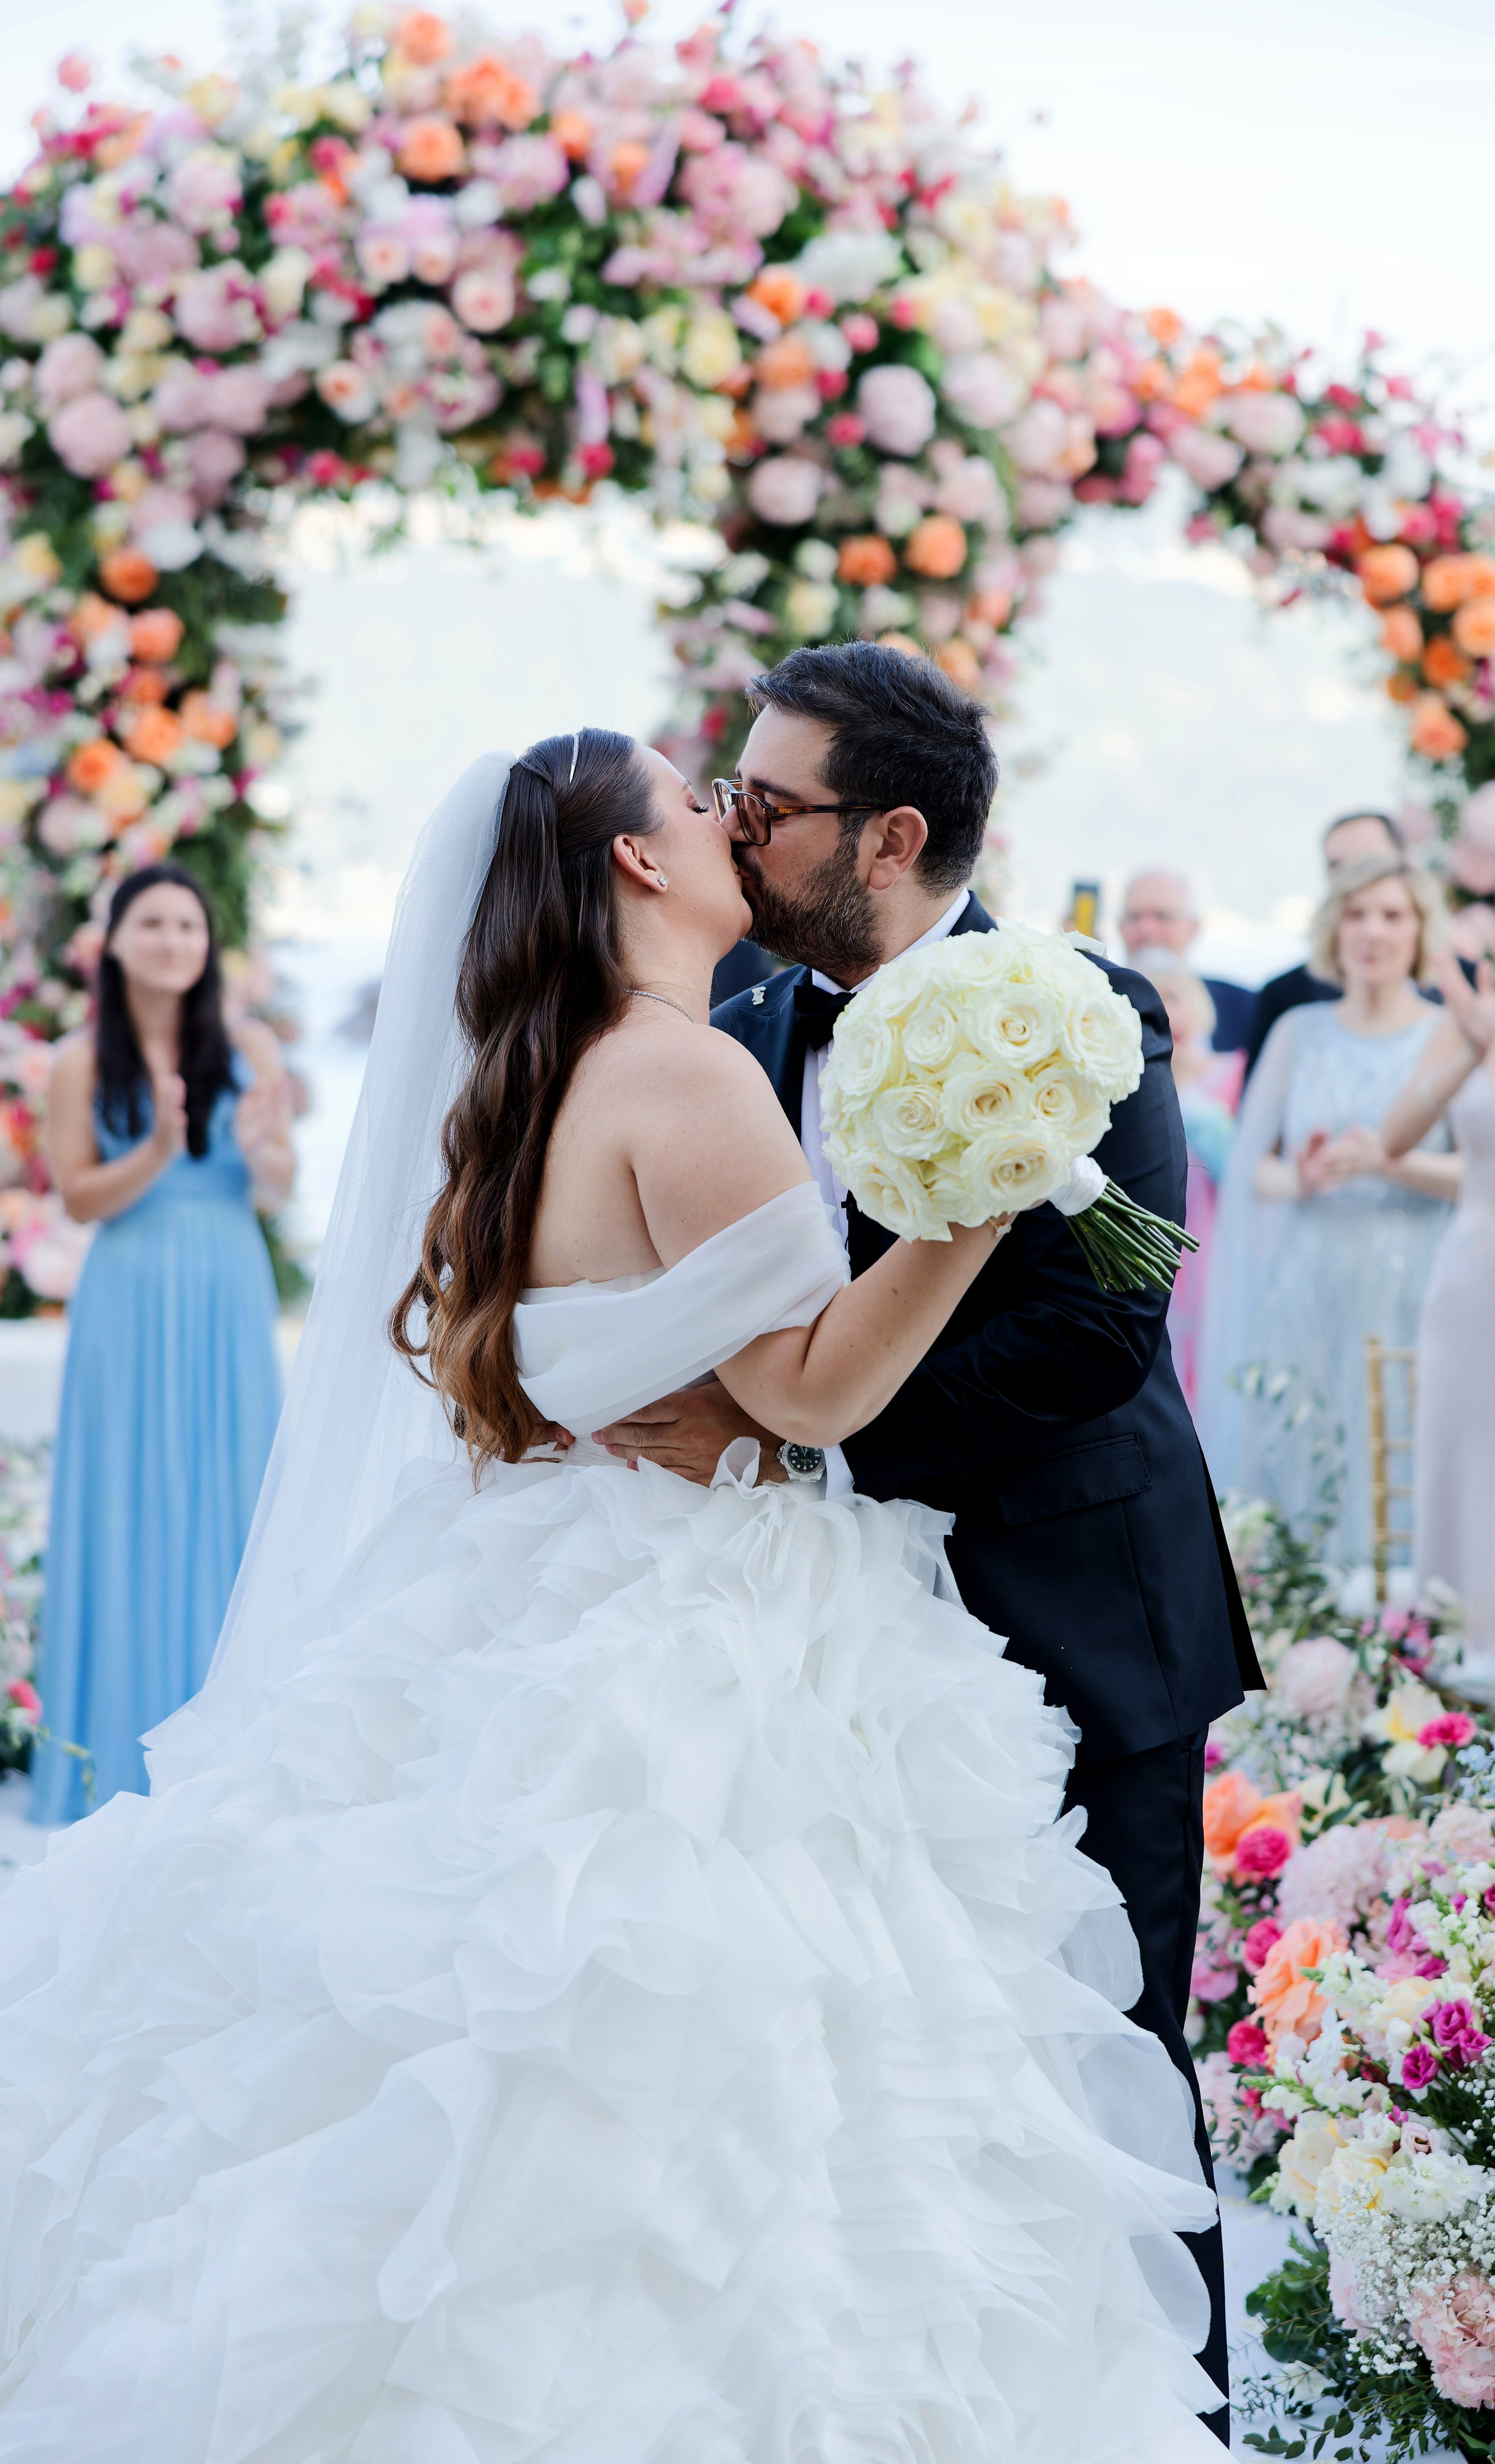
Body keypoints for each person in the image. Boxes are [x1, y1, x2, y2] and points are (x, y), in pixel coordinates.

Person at [0, 734, 1228, 2461]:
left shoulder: (527, 1079)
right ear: (639, 871)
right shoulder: (692, 1073)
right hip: (714, 1619)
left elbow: (519, 1369)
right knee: (754, 2075)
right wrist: (986, 1183)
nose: (725, 816)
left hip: (548, 1571)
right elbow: (810, 1392)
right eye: (691, 801)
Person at [589, 644, 1262, 2436]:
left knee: (1108, 2058)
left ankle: (1178, 2424)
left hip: (1076, 1616)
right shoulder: (736, 1037)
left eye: (767, 802)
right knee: (898, 2076)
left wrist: (819, 1431)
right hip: (826, 1656)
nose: (732, 823)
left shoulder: (1078, 1007)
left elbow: (1108, 1323)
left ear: (889, 837)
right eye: (724, 794)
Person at [30, 862, 293, 1820]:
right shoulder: (76, 1061)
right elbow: (76, 1196)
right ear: (117, 943)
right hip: (129, 1295)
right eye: (153, 924)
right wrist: (153, 1150)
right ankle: (112, 1758)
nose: (173, 940)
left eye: (188, 923)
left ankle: (225, 1752)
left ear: (207, 943)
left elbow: (276, 1186)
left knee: (230, 1494)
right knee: (126, 1498)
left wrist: (265, 1141)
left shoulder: (250, 1045)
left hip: (224, 1286)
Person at [1199, 853, 1458, 1568]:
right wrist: (1305, 1177)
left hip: (1413, 1277)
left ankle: (1403, 1637)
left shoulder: (1449, 1035)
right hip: (1309, 1280)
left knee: (1403, 1446)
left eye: (1391, 914)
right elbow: (1257, 1169)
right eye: (1356, 913)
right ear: (1333, 929)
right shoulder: (1297, 1032)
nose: (1371, 930)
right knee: (1301, 1447)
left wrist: (1389, 1160)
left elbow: (1485, 1174)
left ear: (1417, 931)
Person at [1383, 906, 1495, 1662]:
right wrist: (1470, 1046)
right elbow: (1395, 1135)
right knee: (1465, 1466)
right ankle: (1459, 1657)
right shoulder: (1468, 1022)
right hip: (1468, 1289)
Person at [1136, 958, 1243, 1413]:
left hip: (1214, 1242)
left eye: (1173, 997)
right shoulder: (1124, 1085)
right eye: (1149, 1001)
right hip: (1148, 1242)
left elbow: (1244, 1168)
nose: (1164, 1012)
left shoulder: (1235, 1072)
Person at [1242, 809, 1407, 1081]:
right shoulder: (1283, 997)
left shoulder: (1463, 986)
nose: (1354, 877)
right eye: (1337, 866)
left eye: (1368, 862)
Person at [1117, 867, 1254, 1055]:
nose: (1147, 929)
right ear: (1120, 928)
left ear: (1193, 928)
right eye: (1134, 917)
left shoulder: (1245, 1008)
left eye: (1162, 916)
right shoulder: (1091, 1004)